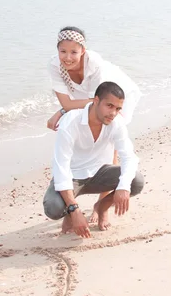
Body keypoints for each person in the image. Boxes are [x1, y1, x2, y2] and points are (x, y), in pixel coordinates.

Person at [46, 26, 142, 222]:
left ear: (83, 50)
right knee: (77, 134)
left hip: (112, 94)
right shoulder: (54, 65)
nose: (68, 57)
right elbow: (69, 102)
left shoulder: (94, 63)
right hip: (91, 99)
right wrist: (65, 110)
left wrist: (63, 110)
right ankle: (70, 202)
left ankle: (102, 205)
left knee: (110, 144)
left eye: (74, 51)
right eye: (63, 51)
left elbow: (98, 99)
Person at [42, 81, 144, 238]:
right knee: (53, 208)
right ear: (96, 101)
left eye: (117, 109)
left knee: (135, 181)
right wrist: (74, 211)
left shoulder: (116, 123)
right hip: (72, 176)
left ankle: (101, 207)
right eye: (109, 106)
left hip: (100, 174)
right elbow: (61, 167)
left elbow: (129, 157)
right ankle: (69, 213)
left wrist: (123, 187)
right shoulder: (70, 122)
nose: (113, 113)